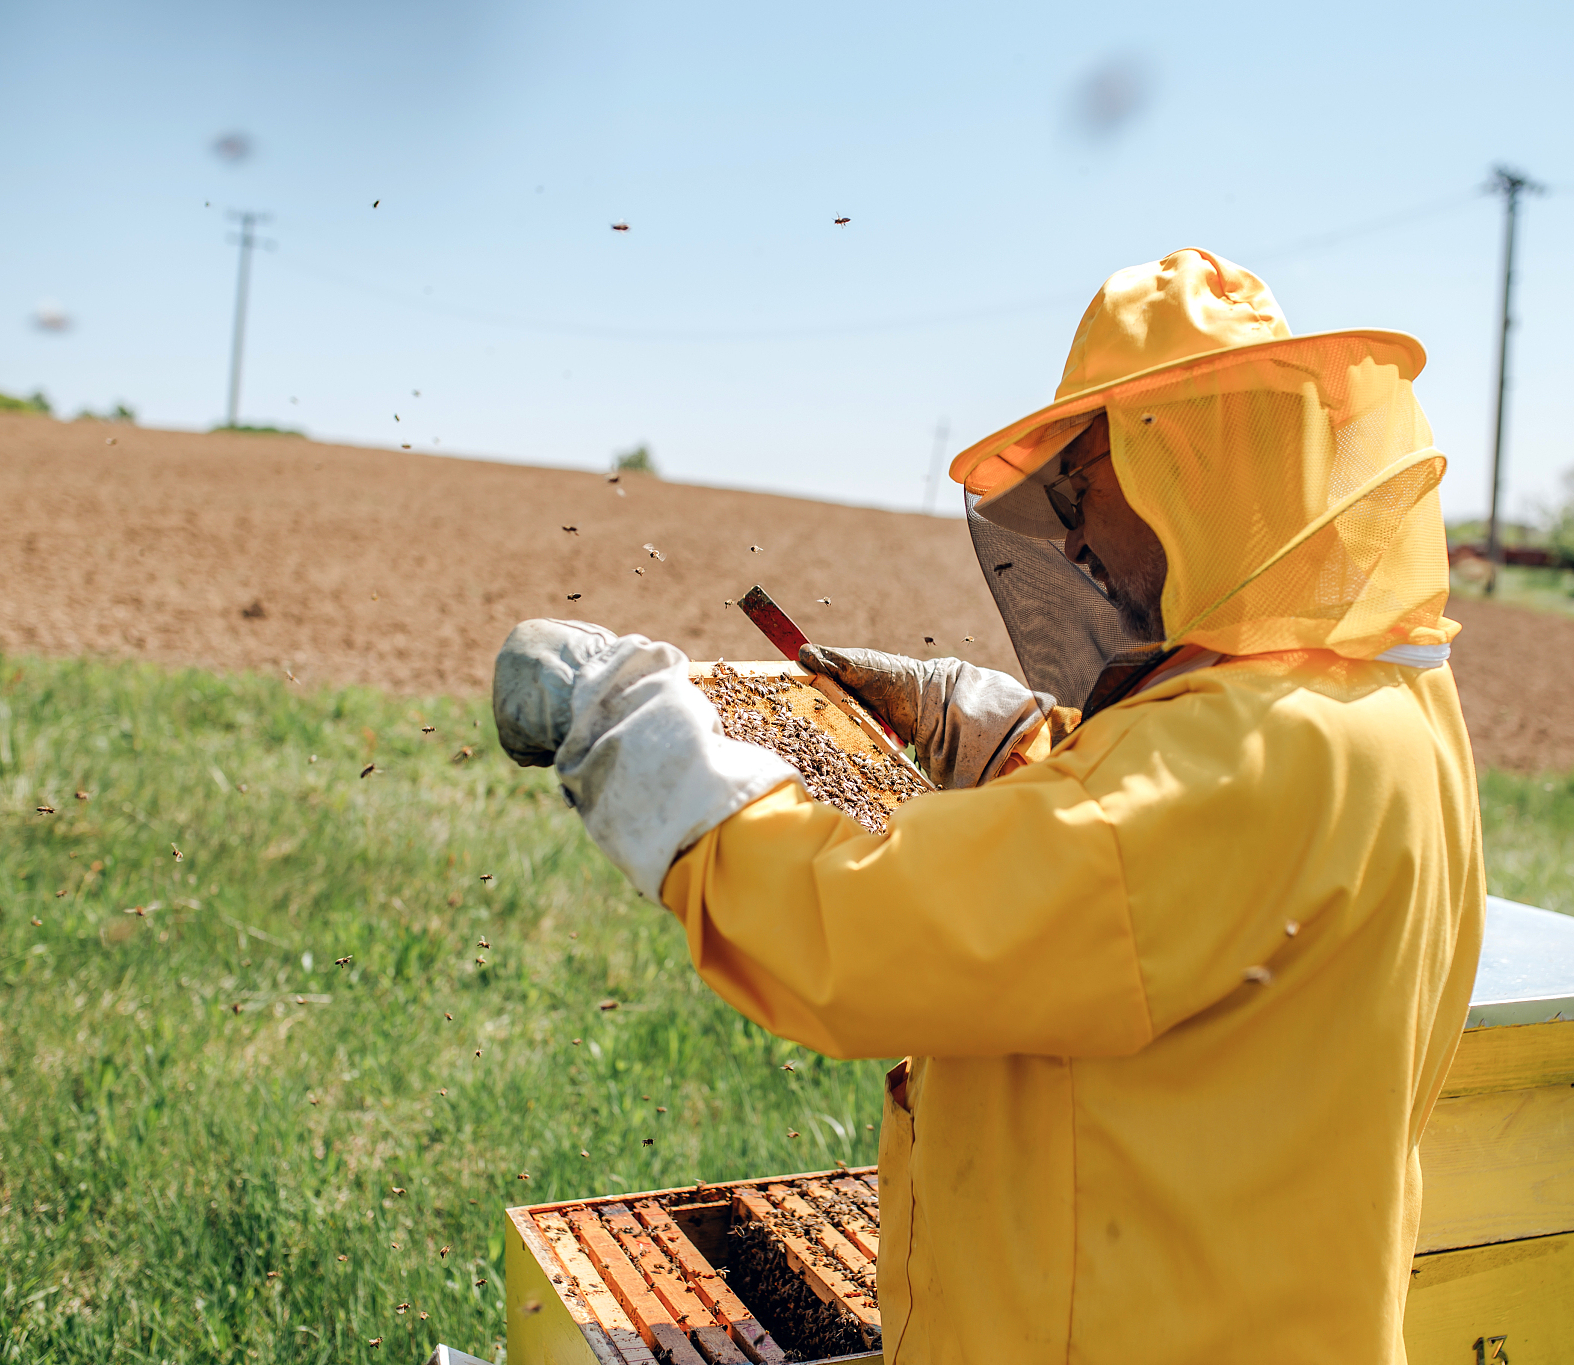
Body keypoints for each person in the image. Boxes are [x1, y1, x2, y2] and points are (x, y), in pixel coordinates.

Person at [492, 248, 1485, 1364]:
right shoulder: (1381, 708)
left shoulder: (1244, 757)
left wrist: (642, 742)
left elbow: (857, 932)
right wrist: (1009, 739)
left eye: (1080, 485)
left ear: (1189, 466)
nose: (1063, 536)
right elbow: (1155, 883)